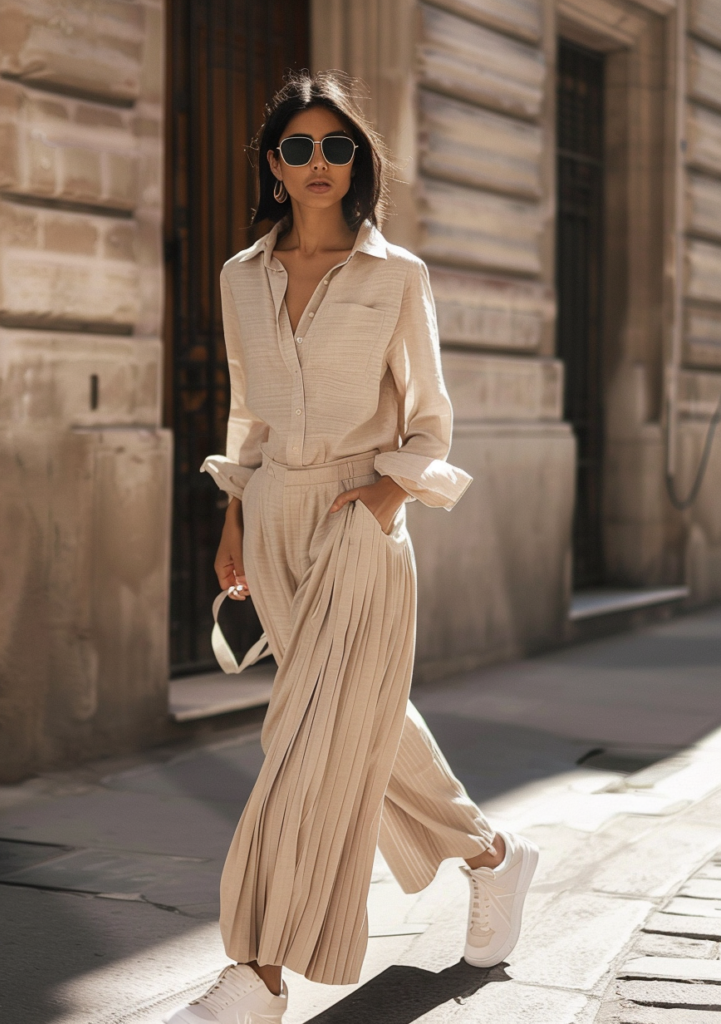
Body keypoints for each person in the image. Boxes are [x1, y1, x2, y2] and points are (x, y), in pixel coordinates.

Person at [166, 70, 538, 1024]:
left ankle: (258, 971)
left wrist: (377, 499)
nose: (320, 162)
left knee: (301, 743)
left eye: (338, 146)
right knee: (362, 726)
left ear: (359, 162)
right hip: (274, 518)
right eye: (299, 147)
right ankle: (493, 856)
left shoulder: (397, 276)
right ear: (273, 165)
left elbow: (430, 420)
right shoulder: (239, 277)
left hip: (360, 526)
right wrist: (234, 516)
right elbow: (246, 416)